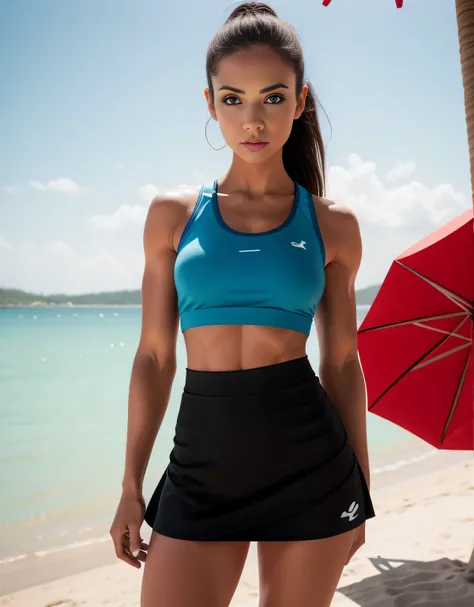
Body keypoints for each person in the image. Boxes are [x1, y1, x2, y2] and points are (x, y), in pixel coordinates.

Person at [110, 2, 375, 606]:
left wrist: (361, 484)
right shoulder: (172, 217)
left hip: (310, 464)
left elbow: (342, 365)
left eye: (273, 98)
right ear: (210, 104)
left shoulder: (333, 225)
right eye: (233, 99)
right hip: (201, 466)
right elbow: (154, 357)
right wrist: (130, 487)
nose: (252, 119)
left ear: (300, 101)